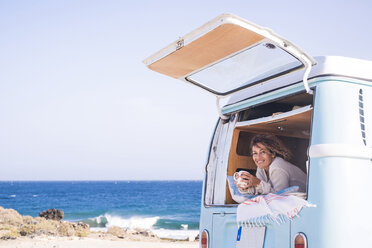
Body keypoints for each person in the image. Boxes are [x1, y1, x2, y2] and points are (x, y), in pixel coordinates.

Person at [236, 134, 307, 195]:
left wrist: (258, 183)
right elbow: (261, 191)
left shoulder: (278, 166)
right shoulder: (261, 168)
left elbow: (279, 196)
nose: (258, 157)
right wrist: (245, 187)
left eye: (263, 152)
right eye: (255, 153)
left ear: (272, 154)